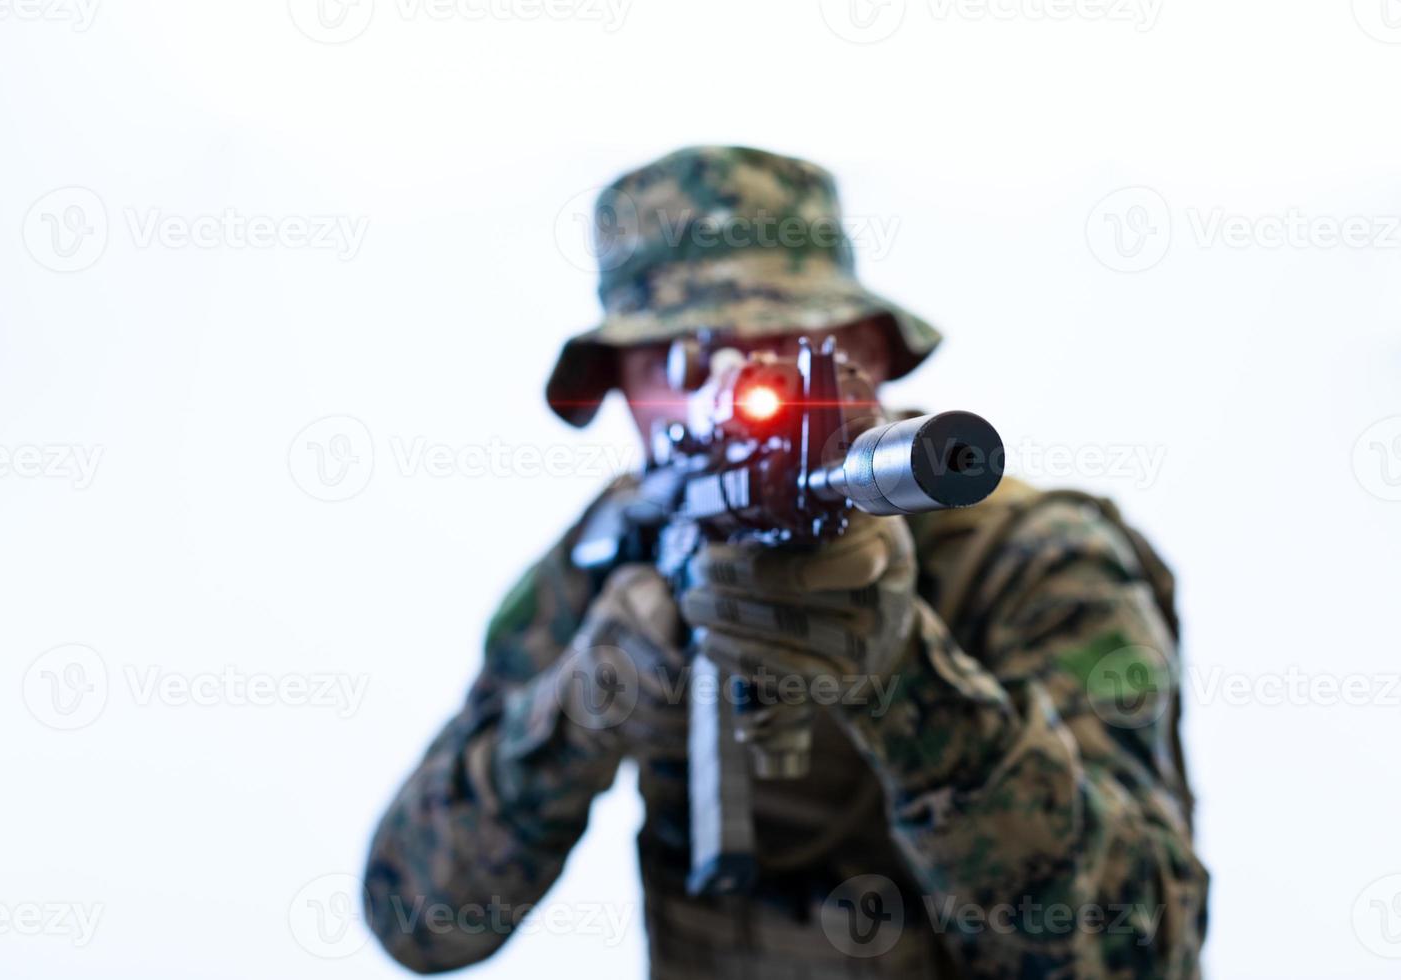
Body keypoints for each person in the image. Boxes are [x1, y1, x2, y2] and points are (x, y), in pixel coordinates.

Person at [364, 146, 1209, 978]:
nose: (744, 389)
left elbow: (1144, 951)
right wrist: (579, 712)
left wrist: (910, 688)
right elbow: (418, 919)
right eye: (681, 357)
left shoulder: (1033, 560)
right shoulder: (616, 553)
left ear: (870, 352)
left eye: (792, 343)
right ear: (619, 380)